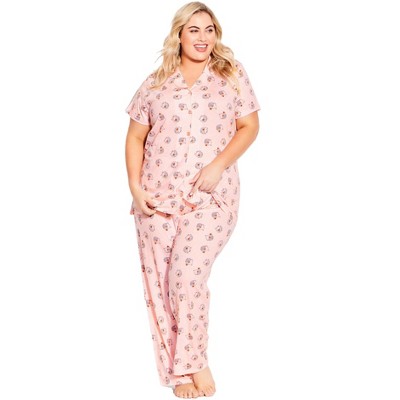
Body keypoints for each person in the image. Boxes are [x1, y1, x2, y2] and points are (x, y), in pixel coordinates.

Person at [124, 2, 260, 398]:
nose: (203, 37)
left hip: (210, 197)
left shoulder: (231, 75)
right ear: (179, 35)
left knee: (186, 277)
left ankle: (193, 361)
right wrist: (135, 187)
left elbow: (249, 125)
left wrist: (218, 165)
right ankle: (178, 374)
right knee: (160, 286)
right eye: (194, 30)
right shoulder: (155, 83)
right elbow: (135, 136)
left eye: (209, 29)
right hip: (155, 199)